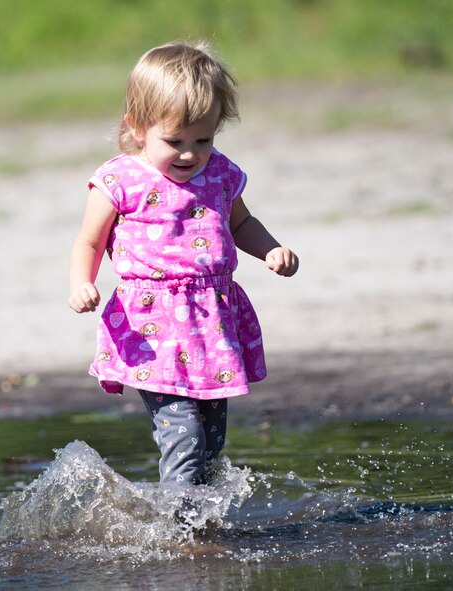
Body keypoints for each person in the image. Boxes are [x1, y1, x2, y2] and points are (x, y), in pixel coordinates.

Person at [68, 41, 298, 487]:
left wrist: (270, 249)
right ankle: (180, 537)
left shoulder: (221, 174)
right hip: (152, 328)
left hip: (210, 322)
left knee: (211, 445)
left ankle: (201, 526)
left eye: (203, 140)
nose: (190, 154)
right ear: (138, 128)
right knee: (185, 436)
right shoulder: (120, 180)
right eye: (174, 141)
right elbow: (89, 241)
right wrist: (81, 283)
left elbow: (241, 222)